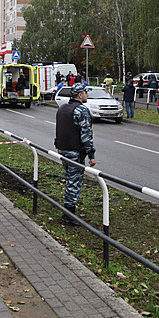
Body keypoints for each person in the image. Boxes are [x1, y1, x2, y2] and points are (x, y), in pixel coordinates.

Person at [54, 83, 96, 226]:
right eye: (86, 92)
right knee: (74, 182)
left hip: (62, 148)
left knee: (69, 179)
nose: (87, 95)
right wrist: (91, 155)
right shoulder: (81, 111)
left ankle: (69, 211)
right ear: (80, 95)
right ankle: (69, 215)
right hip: (75, 151)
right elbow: (86, 136)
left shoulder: (62, 109)